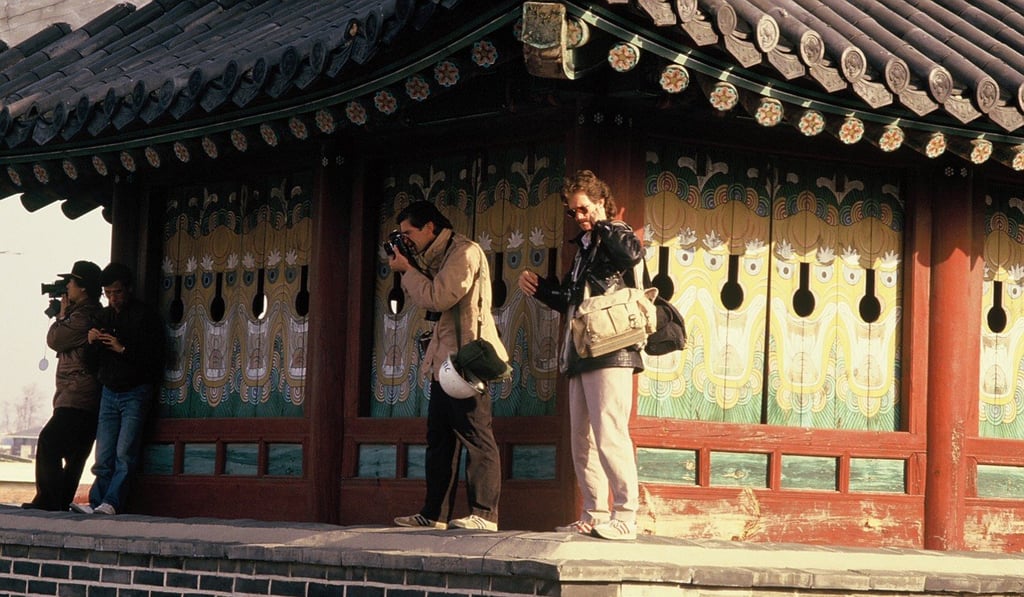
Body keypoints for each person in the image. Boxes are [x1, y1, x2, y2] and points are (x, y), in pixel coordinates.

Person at [517, 169, 644, 540]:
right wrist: (541, 290)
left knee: (610, 432)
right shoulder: (583, 248)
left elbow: (632, 254)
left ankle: (627, 514)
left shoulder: (614, 232)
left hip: (613, 349)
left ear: (601, 203)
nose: (580, 217)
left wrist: (604, 225)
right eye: (574, 212)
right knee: (582, 438)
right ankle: (595, 511)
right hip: (582, 349)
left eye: (585, 209)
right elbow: (575, 301)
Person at [387, 201, 507, 532]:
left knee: (476, 435)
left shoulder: (463, 252)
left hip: (467, 360)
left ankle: (484, 514)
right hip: (444, 362)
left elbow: (439, 297)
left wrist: (408, 272)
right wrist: (412, 265)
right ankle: (434, 514)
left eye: (409, 233)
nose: (406, 239)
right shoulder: (437, 256)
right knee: (439, 439)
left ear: (430, 228)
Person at [73, 262, 164, 515]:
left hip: (135, 391)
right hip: (109, 391)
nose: (113, 298)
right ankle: (95, 502)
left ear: (129, 289)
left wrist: (122, 348)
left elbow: (155, 358)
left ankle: (112, 502)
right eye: (108, 294)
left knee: (125, 452)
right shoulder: (102, 317)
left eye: (117, 292)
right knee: (103, 455)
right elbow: (90, 363)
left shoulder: (145, 317)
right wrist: (92, 343)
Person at [22, 261, 104, 512]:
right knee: (75, 453)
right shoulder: (89, 312)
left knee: (49, 441)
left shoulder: (84, 316)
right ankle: (58, 501)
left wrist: (61, 315)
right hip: (84, 395)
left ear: (83, 288)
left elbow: (55, 339)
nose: (67, 287)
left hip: (77, 394)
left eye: (71, 282)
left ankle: (48, 500)